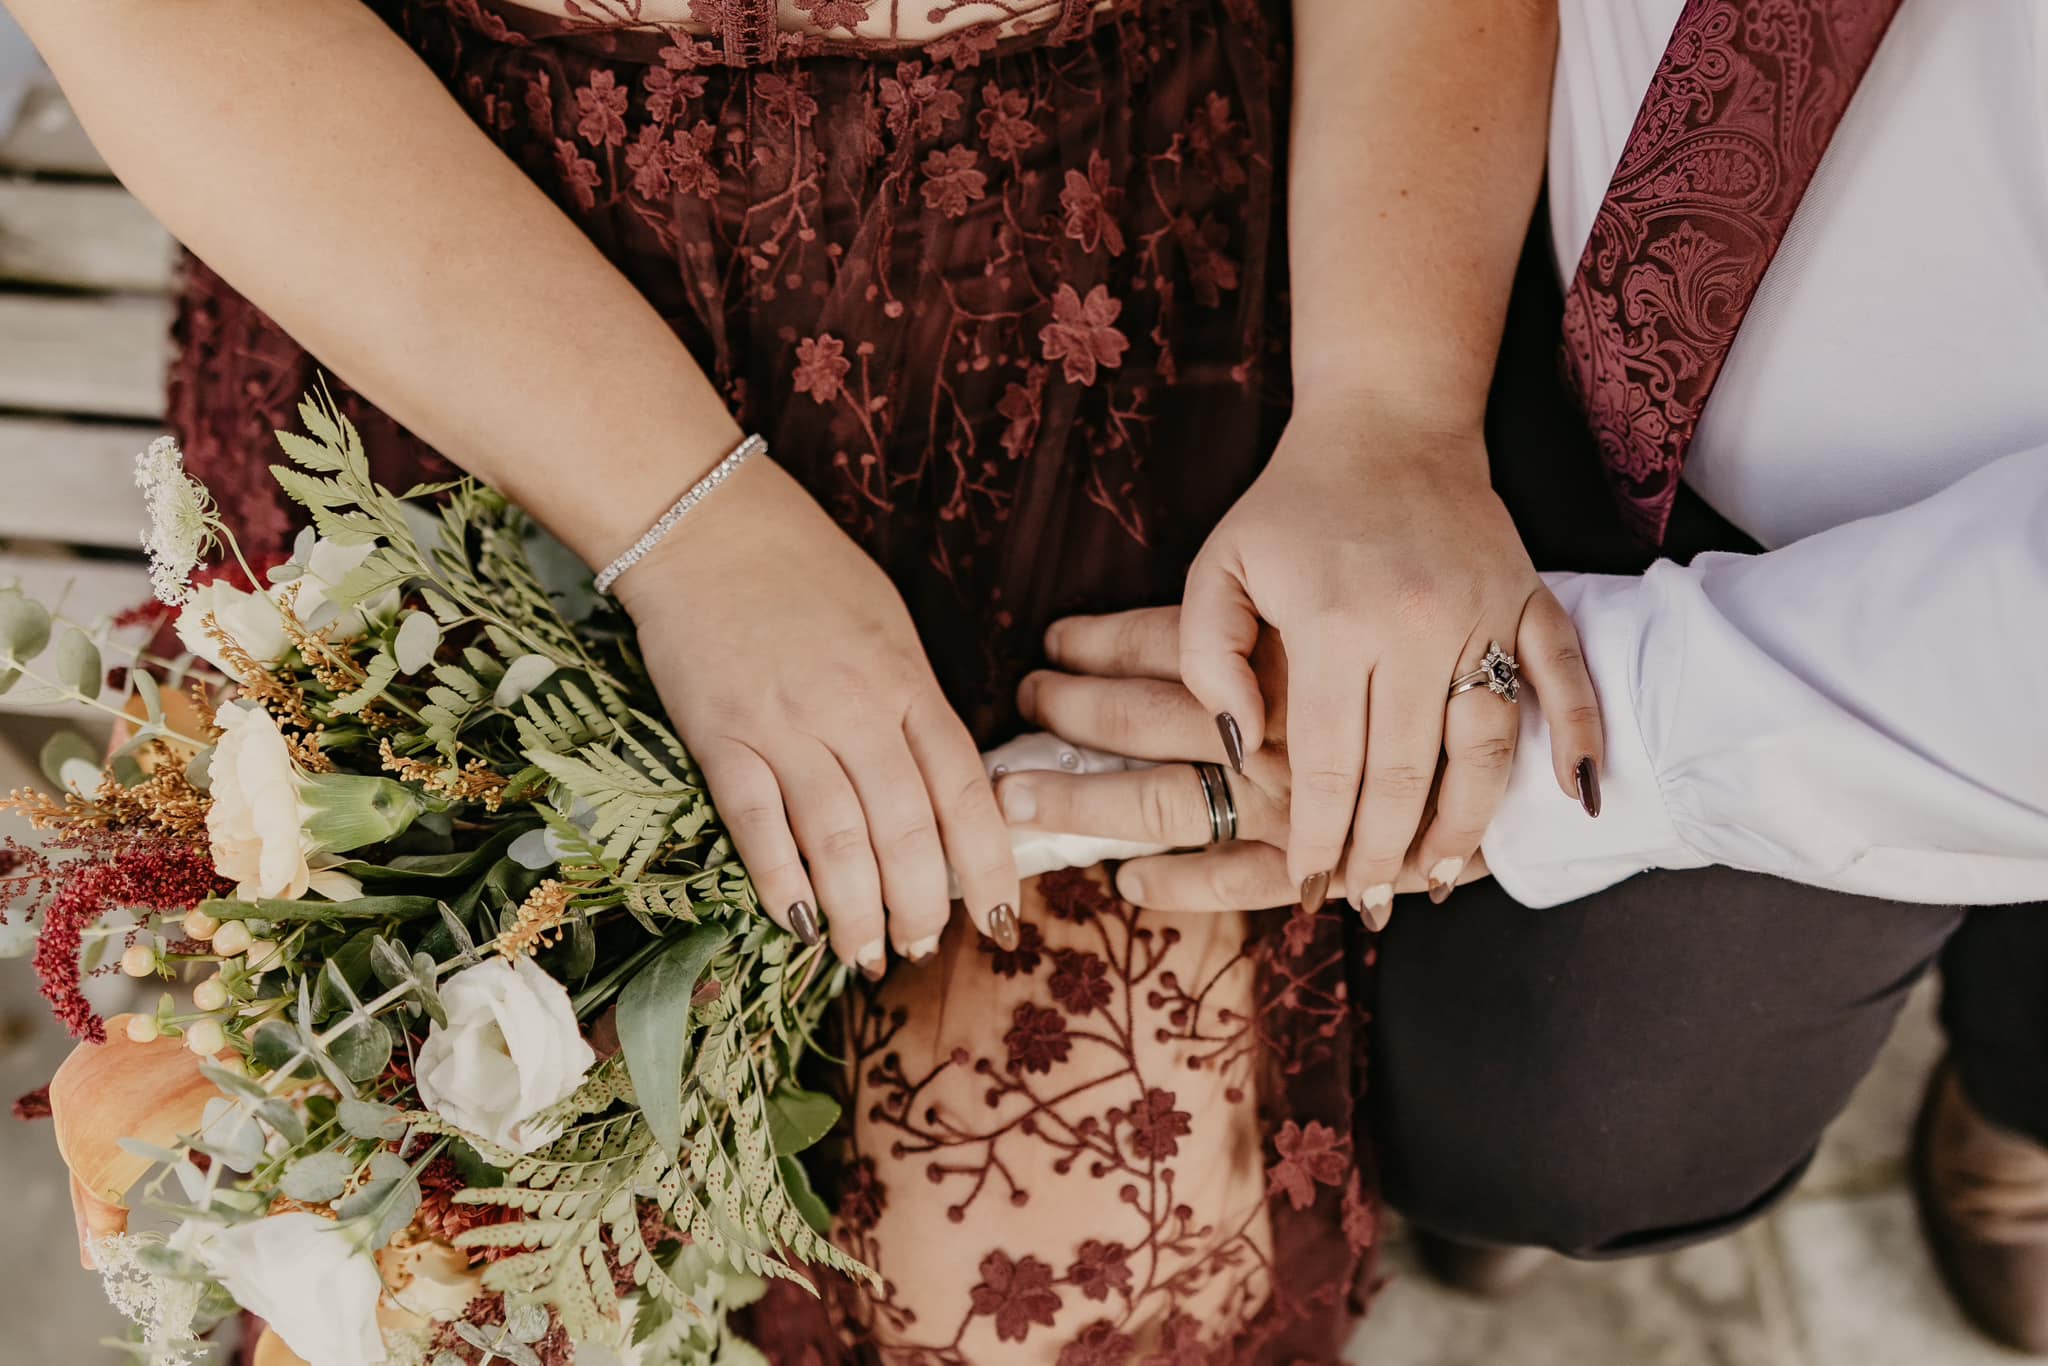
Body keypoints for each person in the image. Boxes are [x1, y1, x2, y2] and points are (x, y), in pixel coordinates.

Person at [9, 0, 1605, 1358]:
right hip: (464, 250)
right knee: (478, 1233)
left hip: (1094, 287)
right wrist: (682, 525)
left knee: (1079, 1258)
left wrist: (1393, 407)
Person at [1001, 0, 2048, 1351]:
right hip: (1566, 194)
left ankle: (2020, 1097)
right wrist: (1397, 406)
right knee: (1520, 1112)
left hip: (1958, 597)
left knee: (1608, 1114)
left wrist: (1539, 732)